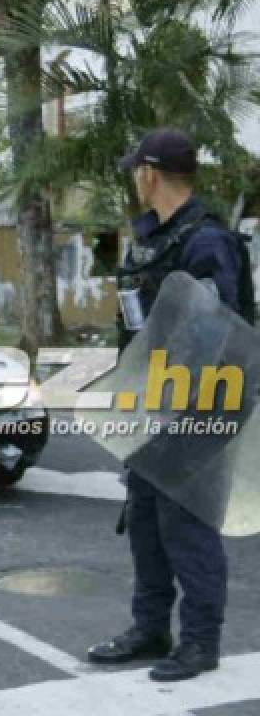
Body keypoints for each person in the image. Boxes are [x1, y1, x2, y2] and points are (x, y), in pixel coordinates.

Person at [88, 128, 254, 682]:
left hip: (197, 403)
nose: (135, 177)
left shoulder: (205, 243)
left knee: (186, 520)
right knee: (144, 518)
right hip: (152, 400)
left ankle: (200, 641)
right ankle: (151, 626)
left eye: (136, 169)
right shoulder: (156, 238)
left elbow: (214, 333)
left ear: (149, 174)